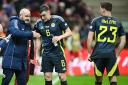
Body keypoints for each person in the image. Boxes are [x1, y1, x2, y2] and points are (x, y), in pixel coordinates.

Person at [87, 2, 126, 85]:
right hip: (111, 54)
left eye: (100, 8)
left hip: (98, 53)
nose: (99, 9)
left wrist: (90, 53)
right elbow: (123, 40)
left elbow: (89, 39)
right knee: (113, 79)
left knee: (98, 80)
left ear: (104, 9)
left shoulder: (96, 20)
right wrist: (117, 53)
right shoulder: (118, 22)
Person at [34, 4, 72, 85]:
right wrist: (37, 55)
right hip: (46, 53)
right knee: (47, 76)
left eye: (44, 15)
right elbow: (37, 38)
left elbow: (69, 32)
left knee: (62, 76)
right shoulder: (38, 23)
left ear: (49, 12)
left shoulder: (58, 19)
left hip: (58, 53)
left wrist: (60, 37)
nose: (42, 18)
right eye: (41, 16)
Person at [1, 8, 40, 85]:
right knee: (5, 82)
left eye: (29, 16)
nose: (28, 18)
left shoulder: (28, 26)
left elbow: (30, 42)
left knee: (22, 83)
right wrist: (31, 34)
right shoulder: (14, 21)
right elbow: (15, 32)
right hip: (11, 60)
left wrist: (32, 57)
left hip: (22, 62)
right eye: (26, 16)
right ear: (20, 15)